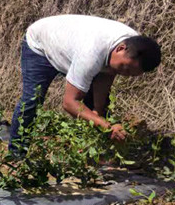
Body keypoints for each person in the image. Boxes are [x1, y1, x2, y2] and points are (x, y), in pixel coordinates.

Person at [9, 14, 161, 157]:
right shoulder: (91, 54)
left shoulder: (135, 46)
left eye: (130, 73)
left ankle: (92, 154)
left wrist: (98, 112)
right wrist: (107, 127)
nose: (124, 73)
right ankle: (17, 155)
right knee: (32, 100)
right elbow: (69, 103)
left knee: (97, 109)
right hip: (41, 44)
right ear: (120, 48)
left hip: (73, 46)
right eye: (124, 68)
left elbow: (107, 75)